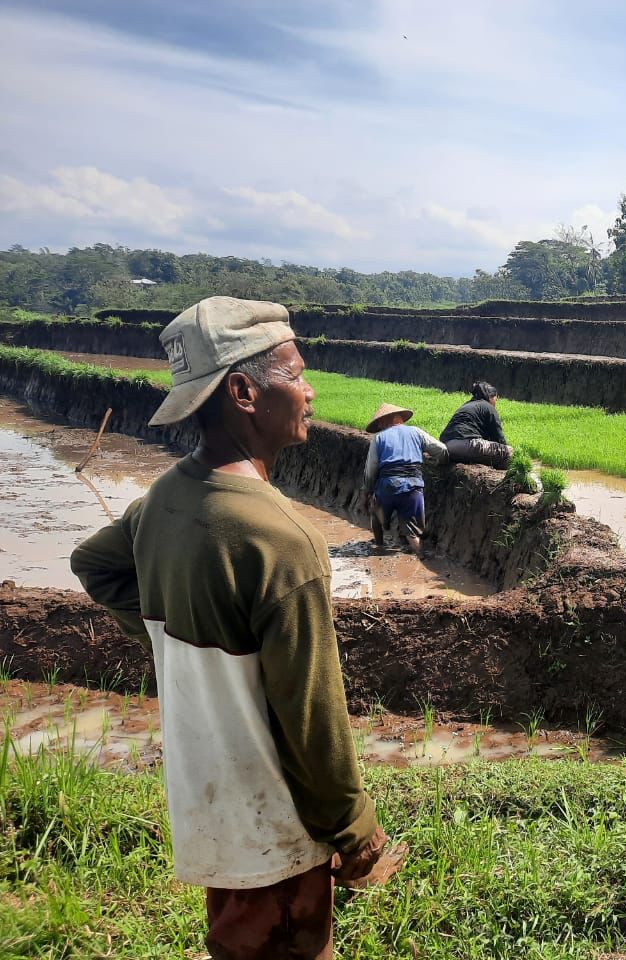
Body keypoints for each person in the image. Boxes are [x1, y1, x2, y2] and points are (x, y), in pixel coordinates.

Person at [69, 297, 404, 958]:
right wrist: (356, 833)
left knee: (235, 936)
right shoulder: (282, 538)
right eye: (297, 376)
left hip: (210, 803)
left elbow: (95, 565)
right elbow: (311, 717)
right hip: (275, 824)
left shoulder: (164, 498)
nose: (310, 392)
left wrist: (175, 645)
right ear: (246, 392)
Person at [363, 402, 447, 554]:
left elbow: (370, 470)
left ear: (384, 421)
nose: (380, 426)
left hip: (387, 487)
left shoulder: (379, 438)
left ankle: (380, 546)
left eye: (380, 423)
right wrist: (437, 462)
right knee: (412, 533)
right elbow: (442, 450)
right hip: (413, 487)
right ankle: (421, 556)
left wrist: (367, 492)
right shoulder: (416, 432)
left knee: (375, 514)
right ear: (399, 419)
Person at [440, 380, 513, 468]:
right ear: (491, 397)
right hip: (468, 445)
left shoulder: (466, 405)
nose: (495, 403)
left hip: (446, 447)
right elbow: (499, 438)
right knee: (509, 452)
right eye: (496, 399)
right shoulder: (488, 406)